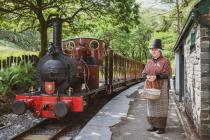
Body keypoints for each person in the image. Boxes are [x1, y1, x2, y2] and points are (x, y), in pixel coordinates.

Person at [141, 39, 172, 134]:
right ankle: (153, 125)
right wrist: (147, 76)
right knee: (151, 107)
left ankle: (161, 127)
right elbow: (143, 73)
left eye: (155, 50)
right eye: (152, 50)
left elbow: (168, 74)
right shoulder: (149, 62)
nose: (153, 51)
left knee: (161, 107)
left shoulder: (165, 61)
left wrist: (156, 77)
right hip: (150, 87)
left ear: (160, 51)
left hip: (162, 87)